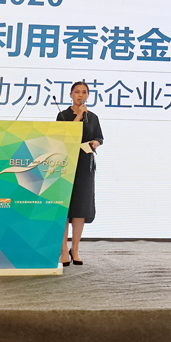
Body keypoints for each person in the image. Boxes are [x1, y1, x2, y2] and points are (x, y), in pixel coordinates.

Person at [56, 81, 104, 266]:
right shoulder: (63, 115)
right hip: (65, 163)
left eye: (84, 92)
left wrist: (95, 143)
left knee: (81, 207)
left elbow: (99, 137)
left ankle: (74, 248)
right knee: (64, 208)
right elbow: (64, 136)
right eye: (77, 92)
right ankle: (63, 250)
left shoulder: (93, 117)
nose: (80, 95)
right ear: (71, 95)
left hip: (85, 164)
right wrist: (78, 116)